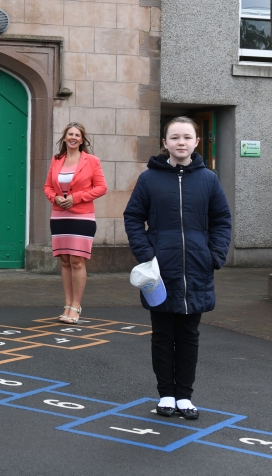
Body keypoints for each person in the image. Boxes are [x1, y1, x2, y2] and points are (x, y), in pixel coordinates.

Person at [124, 116, 231, 420]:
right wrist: (146, 255)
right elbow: (133, 217)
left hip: (197, 268)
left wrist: (214, 255)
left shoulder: (208, 179)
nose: (181, 142)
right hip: (159, 270)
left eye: (187, 137)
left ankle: (184, 396)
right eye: (174, 137)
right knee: (161, 335)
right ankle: (166, 395)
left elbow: (222, 219)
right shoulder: (149, 179)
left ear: (196, 142)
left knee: (188, 335)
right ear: (165, 143)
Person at [43, 122, 107, 324]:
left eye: (77, 135)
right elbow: (47, 187)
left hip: (82, 216)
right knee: (64, 261)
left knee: (77, 261)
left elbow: (101, 188)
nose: (73, 137)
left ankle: (76, 306)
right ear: (64, 138)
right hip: (60, 216)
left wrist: (77, 197)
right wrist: (55, 198)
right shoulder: (56, 160)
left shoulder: (92, 161)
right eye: (70, 134)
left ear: (82, 139)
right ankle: (67, 305)